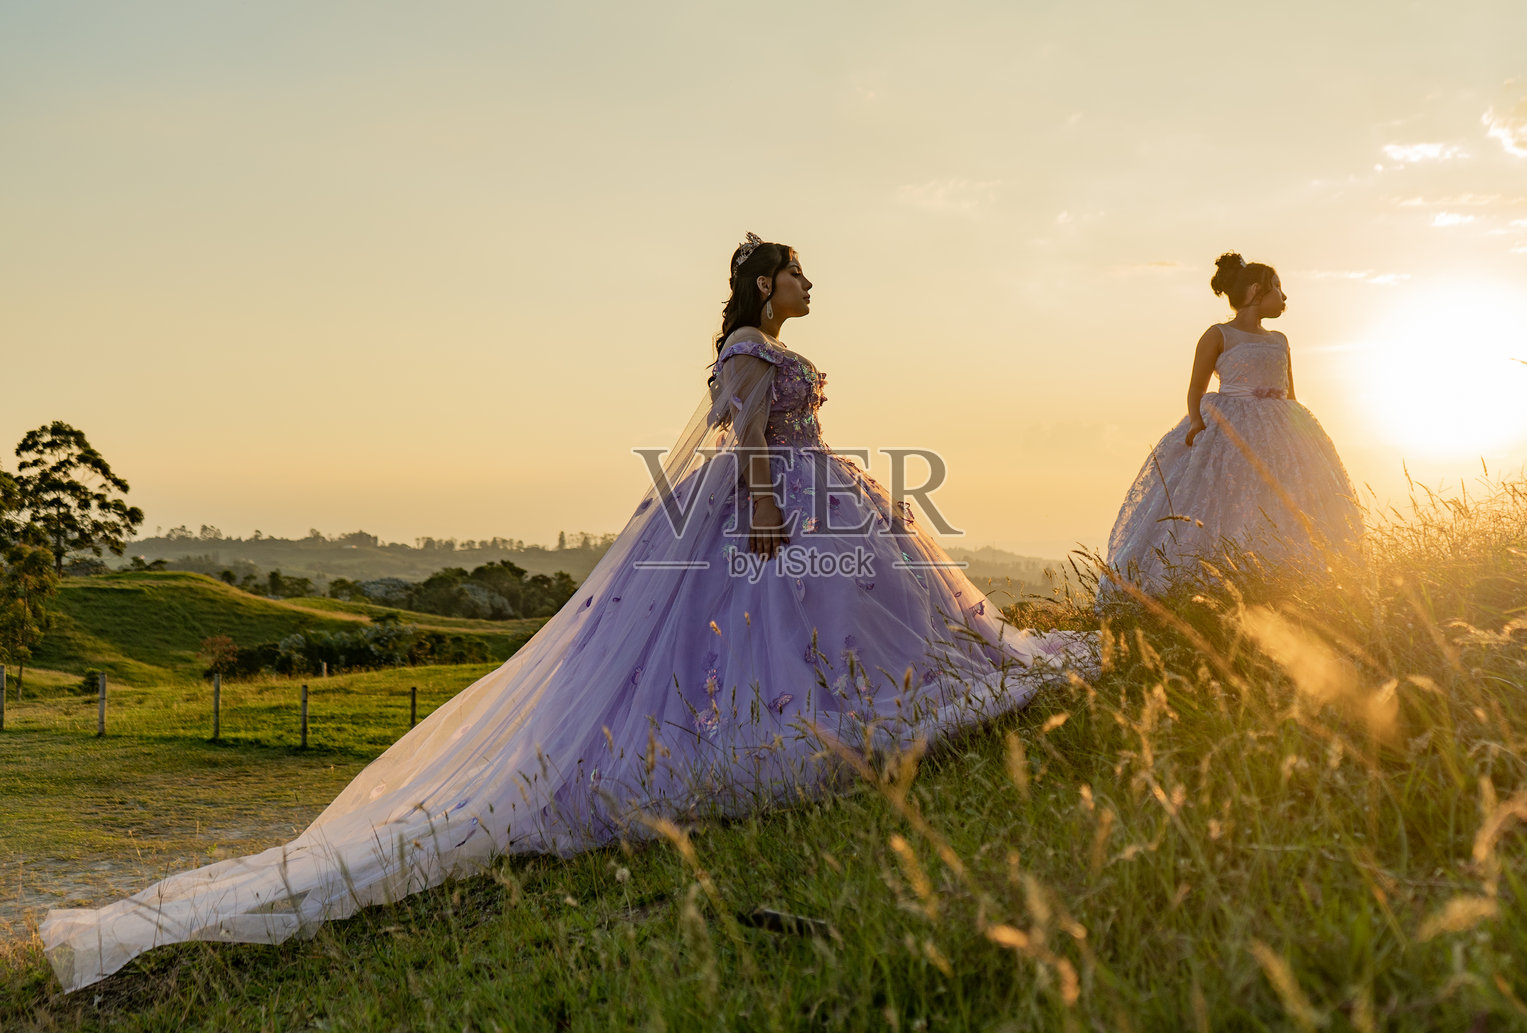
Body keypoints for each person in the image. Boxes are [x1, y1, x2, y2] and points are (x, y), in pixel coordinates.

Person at [41, 233, 1096, 992]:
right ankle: (767, 737)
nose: (810, 282)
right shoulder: (747, 354)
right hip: (765, 504)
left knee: (853, 616)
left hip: (820, 492)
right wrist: (767, 513)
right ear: (765, 285)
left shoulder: (775, 352)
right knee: (747, 630)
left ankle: (872, 696)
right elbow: (746, 447)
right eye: (798, 272)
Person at [1101, 252, 1362, 597]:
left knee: (1281, 498)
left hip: (1280, 430)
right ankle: (1203, 581)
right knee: (1219, 497)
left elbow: (1290, 393)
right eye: (1278, 289)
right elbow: (1196, 386)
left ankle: (1285, 580)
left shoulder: (1280, 340)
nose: (1284, 297)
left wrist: (1301, 434)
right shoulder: (1219, 335)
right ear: (1256, 290)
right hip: (1229, 427)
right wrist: (1196, 421)